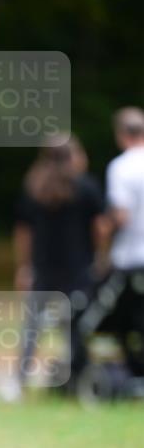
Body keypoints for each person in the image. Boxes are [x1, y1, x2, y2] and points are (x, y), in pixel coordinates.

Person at [11, 135, 104, 394]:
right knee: (75, 324)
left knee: (32, 328)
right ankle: (75, 378)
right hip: (78, 269)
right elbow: (99, 228)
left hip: (43, 269)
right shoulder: (86, 187)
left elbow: (23, 233)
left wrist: (24, 265)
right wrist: (100, 256)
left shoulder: (33, 187)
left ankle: (19, 382)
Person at [73, 107, 144, 381]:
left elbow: (122, 214)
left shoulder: (121, 167)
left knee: (120, 318)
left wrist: (105, 228)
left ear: (121, 134)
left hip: (130, 260)